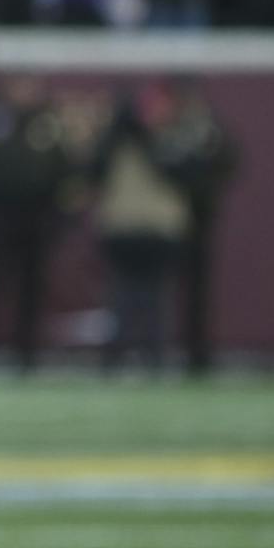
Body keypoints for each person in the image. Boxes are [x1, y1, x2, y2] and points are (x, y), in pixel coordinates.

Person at [0, 76, 71, 373]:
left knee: (30, 290)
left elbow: (64, 173)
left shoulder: (48, 126)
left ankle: (26, 355)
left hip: (35, 217)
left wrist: (59, 216)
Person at [92, 86, 189, 372]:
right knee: (121, 299)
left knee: (155, 299)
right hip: (123, 226)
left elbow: (184, 172)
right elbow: (94, 170)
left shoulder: (172, 140)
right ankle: (114, 359)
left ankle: (155, 358)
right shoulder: (118, 144)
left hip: (159, 228)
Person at [157, 78, 237, 375]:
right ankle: (161, 350)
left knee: (198, 292)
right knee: (159, 290)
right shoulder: (169, 131)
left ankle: (197, 352)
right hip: (166, 220)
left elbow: (230, 160)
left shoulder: (209, 132)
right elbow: (161, 165)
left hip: (200, 219)